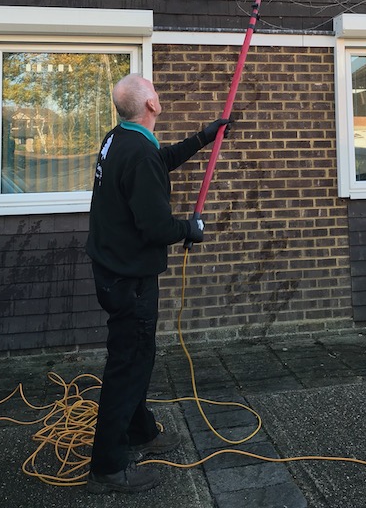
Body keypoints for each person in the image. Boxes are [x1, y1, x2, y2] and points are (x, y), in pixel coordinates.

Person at [86, 73, 230, 495]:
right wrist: (191, 228)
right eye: (154, 89)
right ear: (150, 104)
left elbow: (157, 161)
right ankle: (107, 468)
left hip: (114, 272)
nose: (158, 93)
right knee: (128, 367)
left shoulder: (120, 139)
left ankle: (140, 430)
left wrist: (202, 138)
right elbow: (154, 226)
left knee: (138, 359)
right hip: (129, 280)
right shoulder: (137, 152)